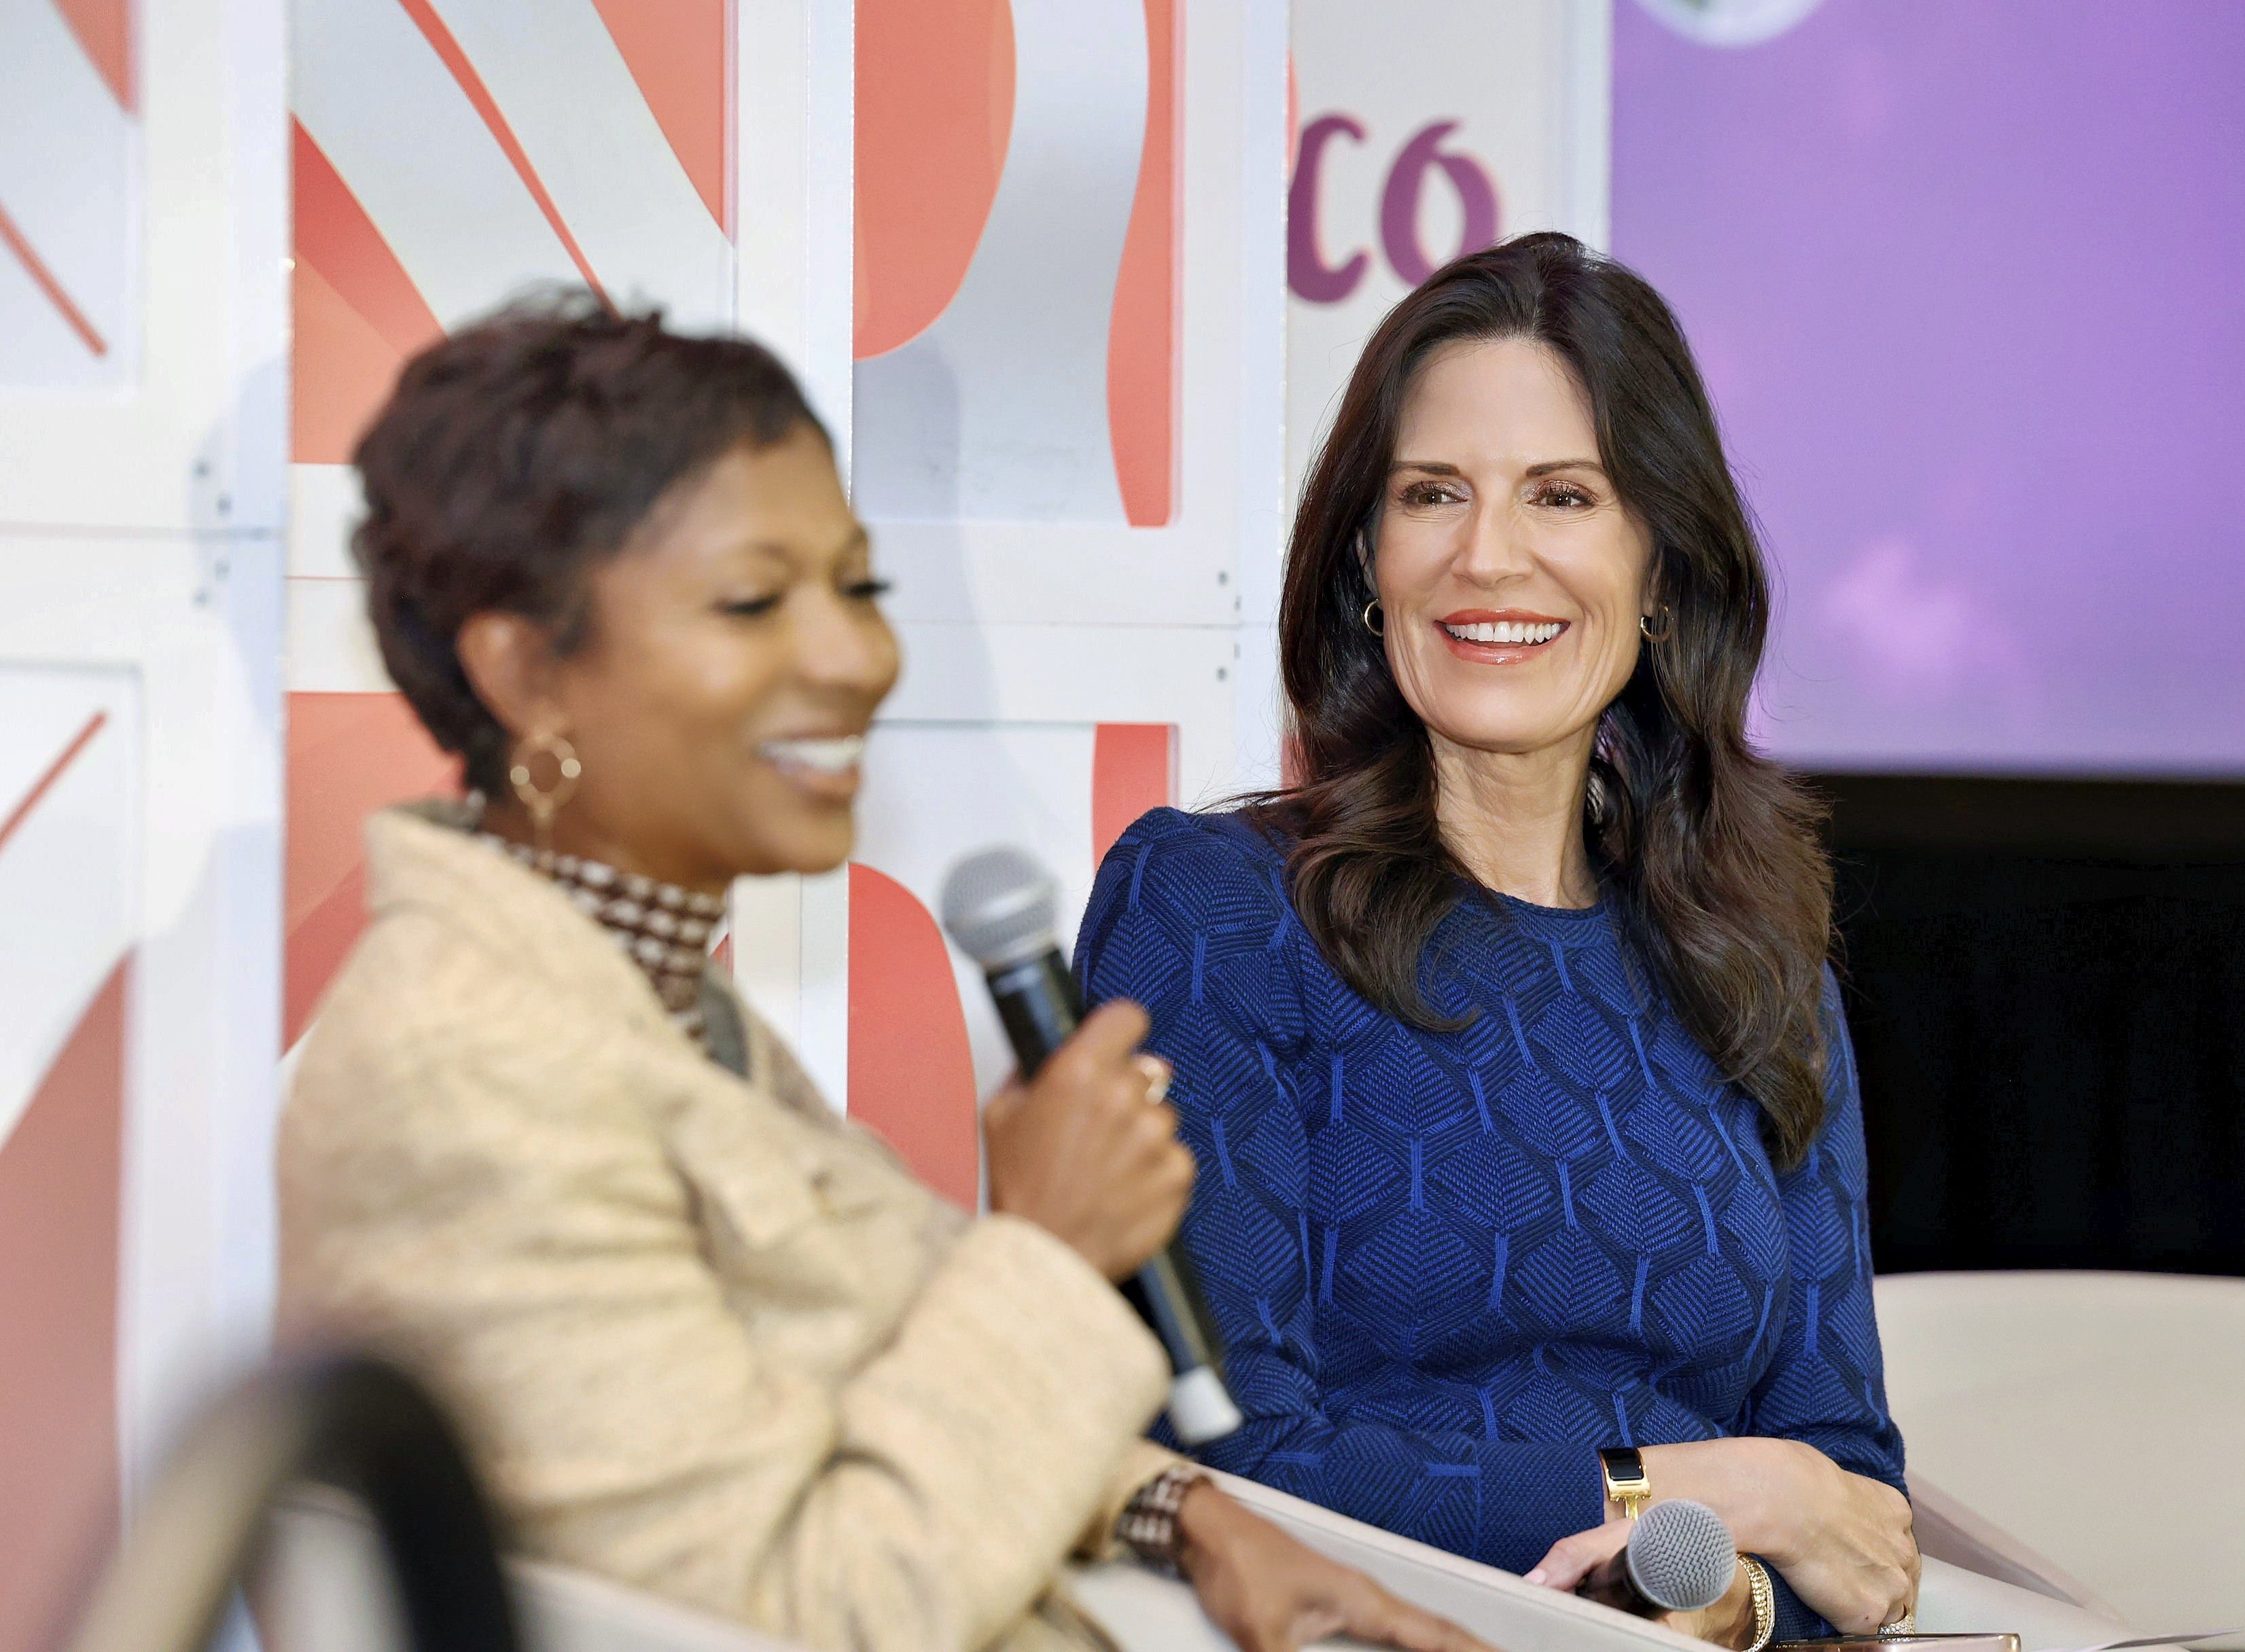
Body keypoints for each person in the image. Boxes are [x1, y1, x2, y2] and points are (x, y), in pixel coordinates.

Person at [276, 298, 1491, 1652]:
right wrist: (1046, 1243)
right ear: (524, 671)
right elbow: (811, 1609)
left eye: (859, 588)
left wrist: (1186, 1517)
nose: (860, 658)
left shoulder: (651, 999)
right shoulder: (465, 1069)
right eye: (753, 601)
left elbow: (893, 1377)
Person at [1076, 233, 1917, 1650]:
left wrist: (1728, 1585)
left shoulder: (1764, 969)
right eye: (1432, 495)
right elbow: (1219, 1455)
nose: (1487, 555)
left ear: (1661, 568)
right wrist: (1698, 1491)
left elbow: (1855, 1507)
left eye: (1563, 496)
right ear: (1366, 558)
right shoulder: (1216, 912)